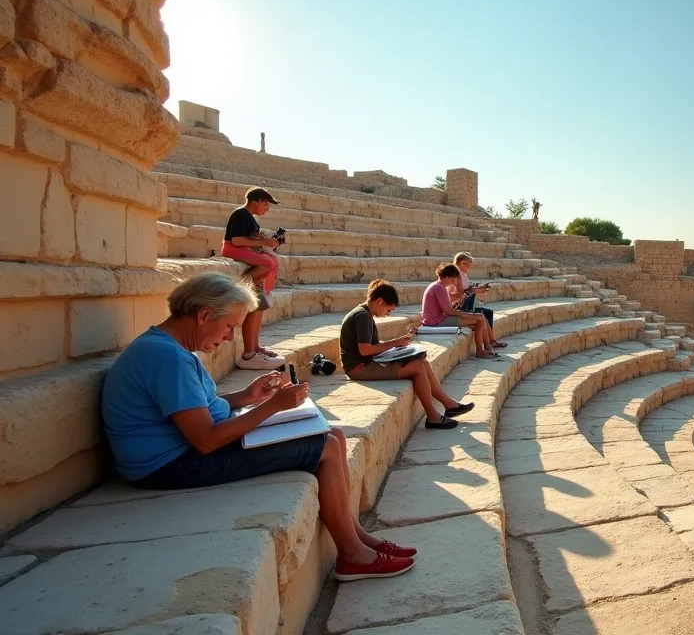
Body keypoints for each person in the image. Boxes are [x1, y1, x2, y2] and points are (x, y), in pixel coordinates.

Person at [100, 272, 415, 582]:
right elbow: (205, 439)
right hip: (169, 465)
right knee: (327, 446)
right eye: (229, 327)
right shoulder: (168, 358)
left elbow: (195, 408)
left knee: (334, 434)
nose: (229, 338)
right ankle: (352, 556)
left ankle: (356, 535)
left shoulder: (168, 348)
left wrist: (247, 396)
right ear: (204, 315)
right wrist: (273, 406)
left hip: (178, 451)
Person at [342, 279, 474, 430]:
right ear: (379, 301)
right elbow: (365, 350)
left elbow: (370, 345)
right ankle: (432, 416)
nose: (388, 314)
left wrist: (399, 345)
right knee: (417, 367)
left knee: (421, 361)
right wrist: (395, 343)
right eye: (388, 310)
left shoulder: (364, 313)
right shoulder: (362, 316)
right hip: (359, 368)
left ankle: (449, 404)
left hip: (367, 362)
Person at [222, 187, 286, 370]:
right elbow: (237, 241)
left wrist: (264, 240)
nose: (267, 208)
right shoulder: (241, 214)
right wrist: (264, 242)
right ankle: (240, 287)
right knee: (267, 264)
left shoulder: (250, 218)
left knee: (259, 306)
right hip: (235, 251)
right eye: (266, 204)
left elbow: (249, 240)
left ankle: (255, 349)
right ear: (255, 201)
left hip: (249, 262)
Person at [424, 264, 502, 359]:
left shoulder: (438, 286)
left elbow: (447, 307)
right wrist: (464, 315)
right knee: (480, 319)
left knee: (482, 318)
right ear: (447, 277)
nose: (454, 282)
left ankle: (488, 347)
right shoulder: (439, 288)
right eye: (453, 279)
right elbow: (448, 311)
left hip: (438, 318)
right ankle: (481, 350)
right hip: (436, 321)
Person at [452, 252, 505, 347]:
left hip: (465, 306)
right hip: (461, 309)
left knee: (487, 313)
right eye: (468, 265)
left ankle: (491, 341)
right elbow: (461, 293)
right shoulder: (456, 275)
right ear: (462, 263)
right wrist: (478, 289)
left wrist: (478, 289)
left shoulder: (462, 275)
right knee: (483, 315)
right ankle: (488, 344)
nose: (469, 268)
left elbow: (467, 290)